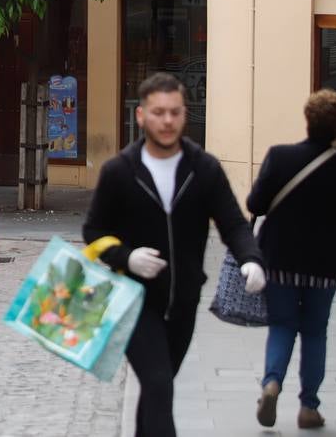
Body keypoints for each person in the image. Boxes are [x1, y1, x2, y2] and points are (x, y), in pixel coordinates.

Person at [83, 72, 265, 437]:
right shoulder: (119, 171)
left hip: (183, 300)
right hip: (132, 301)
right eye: (158, 112)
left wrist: (251, 259)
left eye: (175, 112)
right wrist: (126, 257)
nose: (167, 121)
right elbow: (93, 232)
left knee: (156, 389)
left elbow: (233, 222)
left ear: (185, 114)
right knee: (159, 384)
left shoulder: (204, 169)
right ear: (141, 116)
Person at [247, 89, 336, 430]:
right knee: (315, 331)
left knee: (283, 325)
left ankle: (271, 383)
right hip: (325, 264)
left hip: (280, 260)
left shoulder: (280, 156)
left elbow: (255, 204)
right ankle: (308, 407)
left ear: (308, 119)